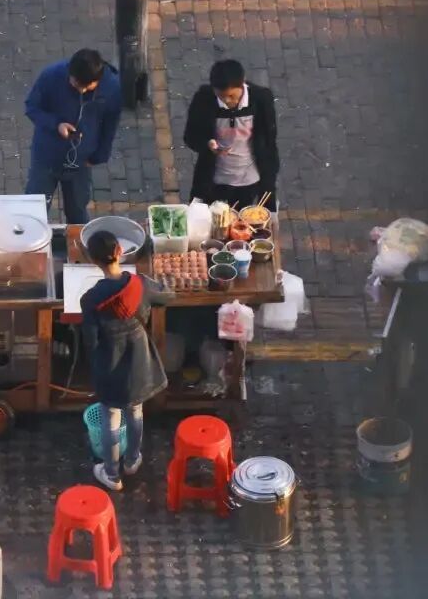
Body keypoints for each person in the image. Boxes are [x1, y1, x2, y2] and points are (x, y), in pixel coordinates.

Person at [80, 230, 174, 491]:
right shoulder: (140, 285)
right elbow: (168, 295)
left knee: (111, 416)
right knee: (135, 409)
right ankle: (132, 460)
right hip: (138, 357)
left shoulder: (90, 299)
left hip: (109, 361)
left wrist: (94, 365)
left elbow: (90, 340)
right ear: (120, 252)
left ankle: (111, 474)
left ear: (92, 260)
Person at [24, 49, 122, 224]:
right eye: (77, 85)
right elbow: (32, 107)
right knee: (34, 209)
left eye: (87, 87)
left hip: (81, 162)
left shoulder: (112, 88)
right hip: (47, 156)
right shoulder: (51, 76)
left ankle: (78, 239)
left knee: (77, 210)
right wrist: (56, 124)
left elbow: (110, 123)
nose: (81, 91)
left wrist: (100, 155)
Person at [184, 59, 279, 211]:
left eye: (231, 96)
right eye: (221, 96)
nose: (227, 101)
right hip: (213, 180)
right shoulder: (203, 99)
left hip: (248, 179)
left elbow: (268, 143)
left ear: (242, 84)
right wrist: (207, 144)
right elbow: (190, 136)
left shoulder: (261, 99)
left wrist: (270, 197)